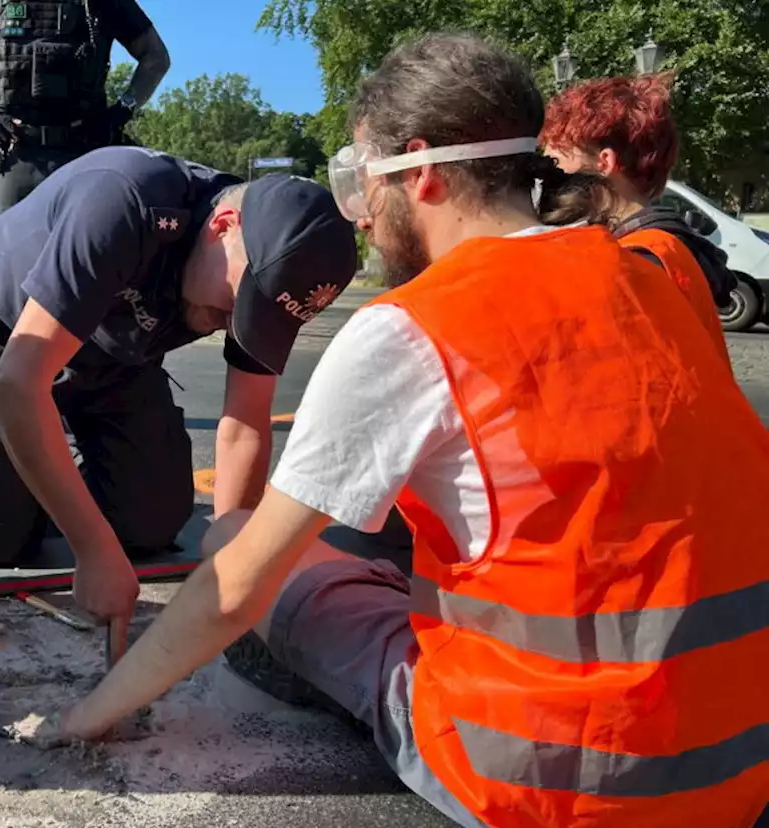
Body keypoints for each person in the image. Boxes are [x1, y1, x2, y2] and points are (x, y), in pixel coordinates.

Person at [48, 34, 769, 828]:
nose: (360, 219)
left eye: (361, 179)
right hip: (740, 762)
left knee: (240, 543)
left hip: (553, 784)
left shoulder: (419, 325)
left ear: (419, 170)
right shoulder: (654, 273)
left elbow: (235, 590)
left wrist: (86, 717)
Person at [0, 145, 357, 628]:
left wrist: (233, 563)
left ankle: (48, 471)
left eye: (261, 317)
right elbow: (18, 386)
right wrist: (93, 548)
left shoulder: (275, 276)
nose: (236, 321)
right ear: (223, 225)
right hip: (7, 339)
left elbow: (246, 422)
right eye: (240, 302)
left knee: (151, 524)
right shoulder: (125, 201)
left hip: (116, 353)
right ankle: (17, 479)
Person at [542, 73, 735, 359]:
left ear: (604, 161)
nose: (546, 177)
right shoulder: (671, 246)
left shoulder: (638, 261)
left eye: (555, 162)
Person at [0, 0, 171, 218]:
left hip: (86, 154)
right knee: (7, 262)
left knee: (88, 260)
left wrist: (121, 112)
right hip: (17, 154)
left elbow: (156, 56)